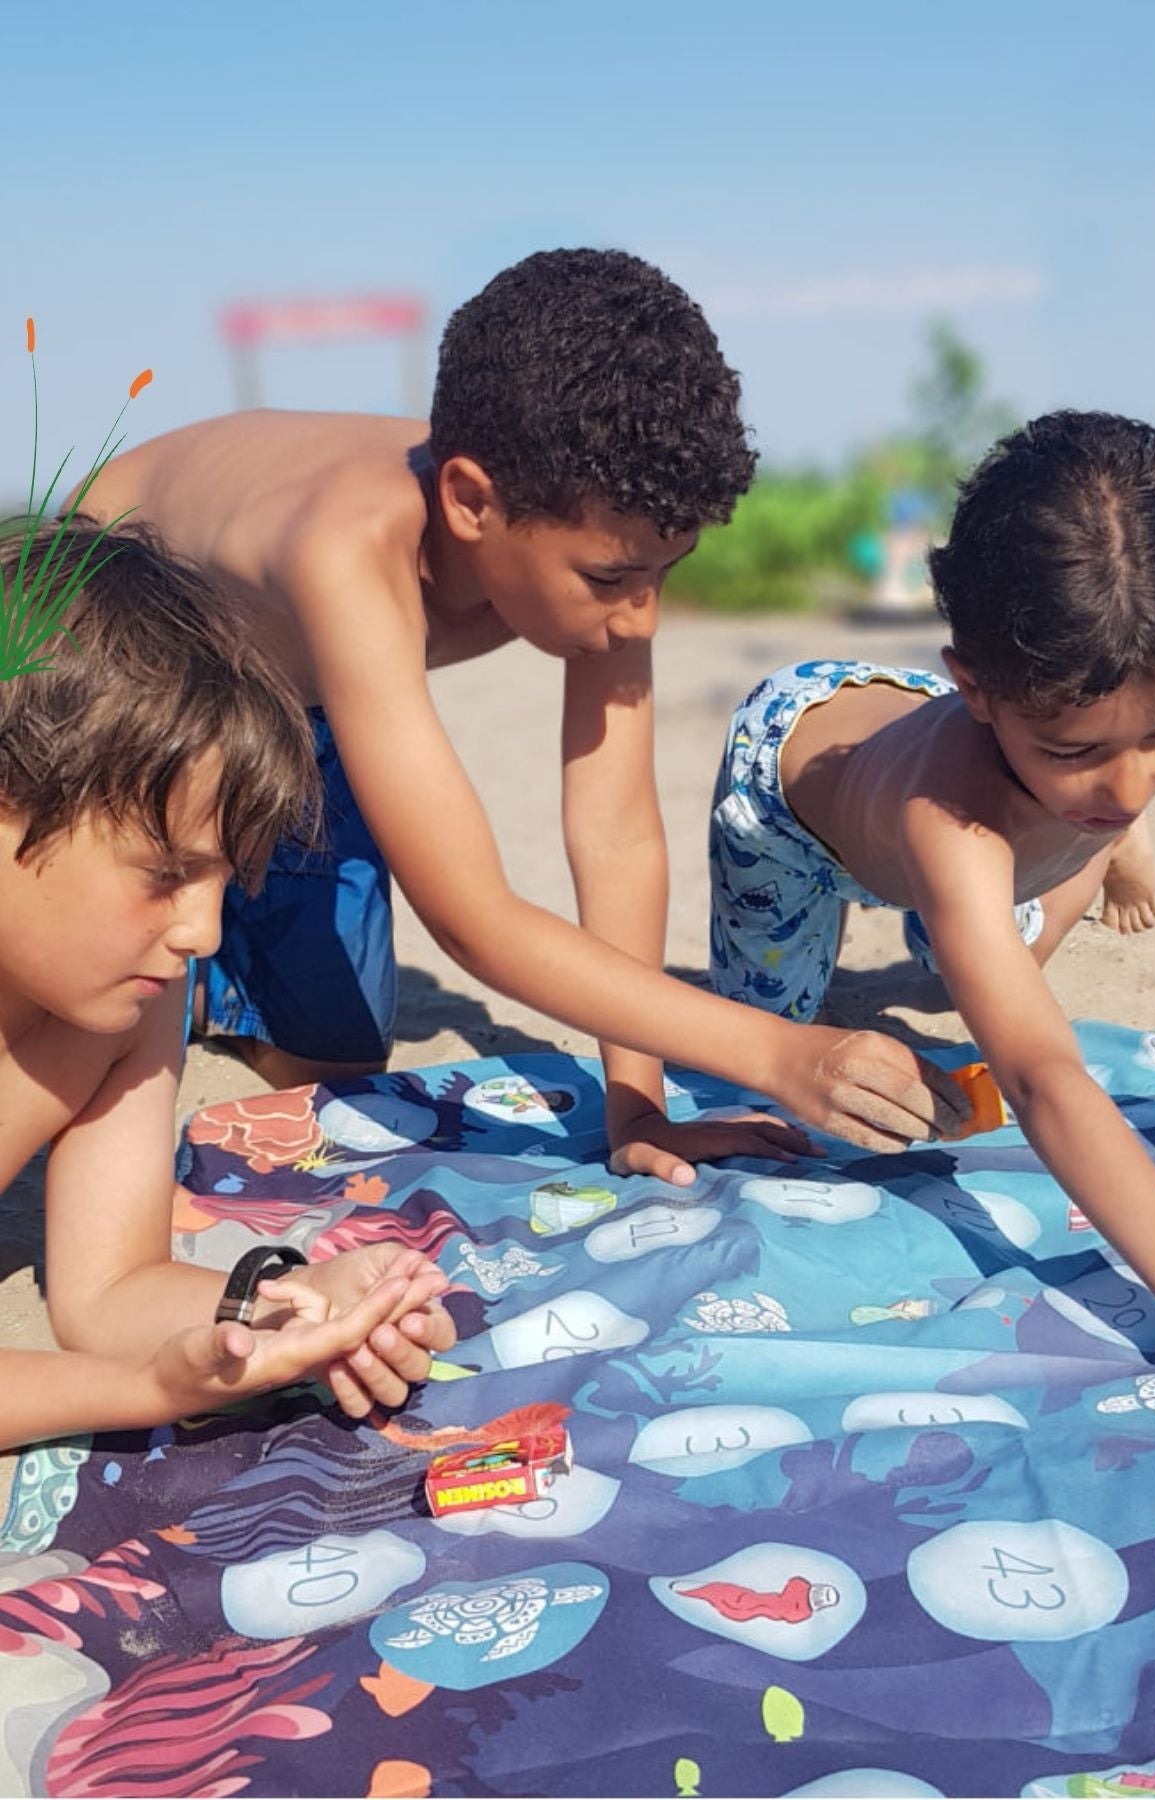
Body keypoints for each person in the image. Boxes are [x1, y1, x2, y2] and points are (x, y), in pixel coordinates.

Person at [70, 247, 969, 1181]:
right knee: (104, 983)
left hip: (296, 702)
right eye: (613, 578)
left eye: (667, 571)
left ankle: (221, 965)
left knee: (336, 1063)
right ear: (470, 503)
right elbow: (472, 919)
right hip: (117, 664)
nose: (642, 618)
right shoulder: (353, 549)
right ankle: (193, 946)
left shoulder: (591, 526)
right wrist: (779, 1055)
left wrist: (638, 1107)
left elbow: (616, 835)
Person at [709, 409, 1155, 1336]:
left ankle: (1083, 834)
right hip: (796, 807)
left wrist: (1096, 762)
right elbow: (1044, 1076)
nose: (1134, 783)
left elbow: (1119, 740)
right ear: (980, 690)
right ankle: (1072, 843)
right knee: (761, 1041)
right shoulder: (950, 819)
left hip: (962, 750)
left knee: (981, 944)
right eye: (1081, 751)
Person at [0, 523, 454, 1452]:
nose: (203, 935)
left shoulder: (131, 996)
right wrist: (140, 1388)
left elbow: (111, 1289)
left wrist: (292, 1304)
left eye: (222, 882)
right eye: (167, 873)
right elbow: (122, 1358)